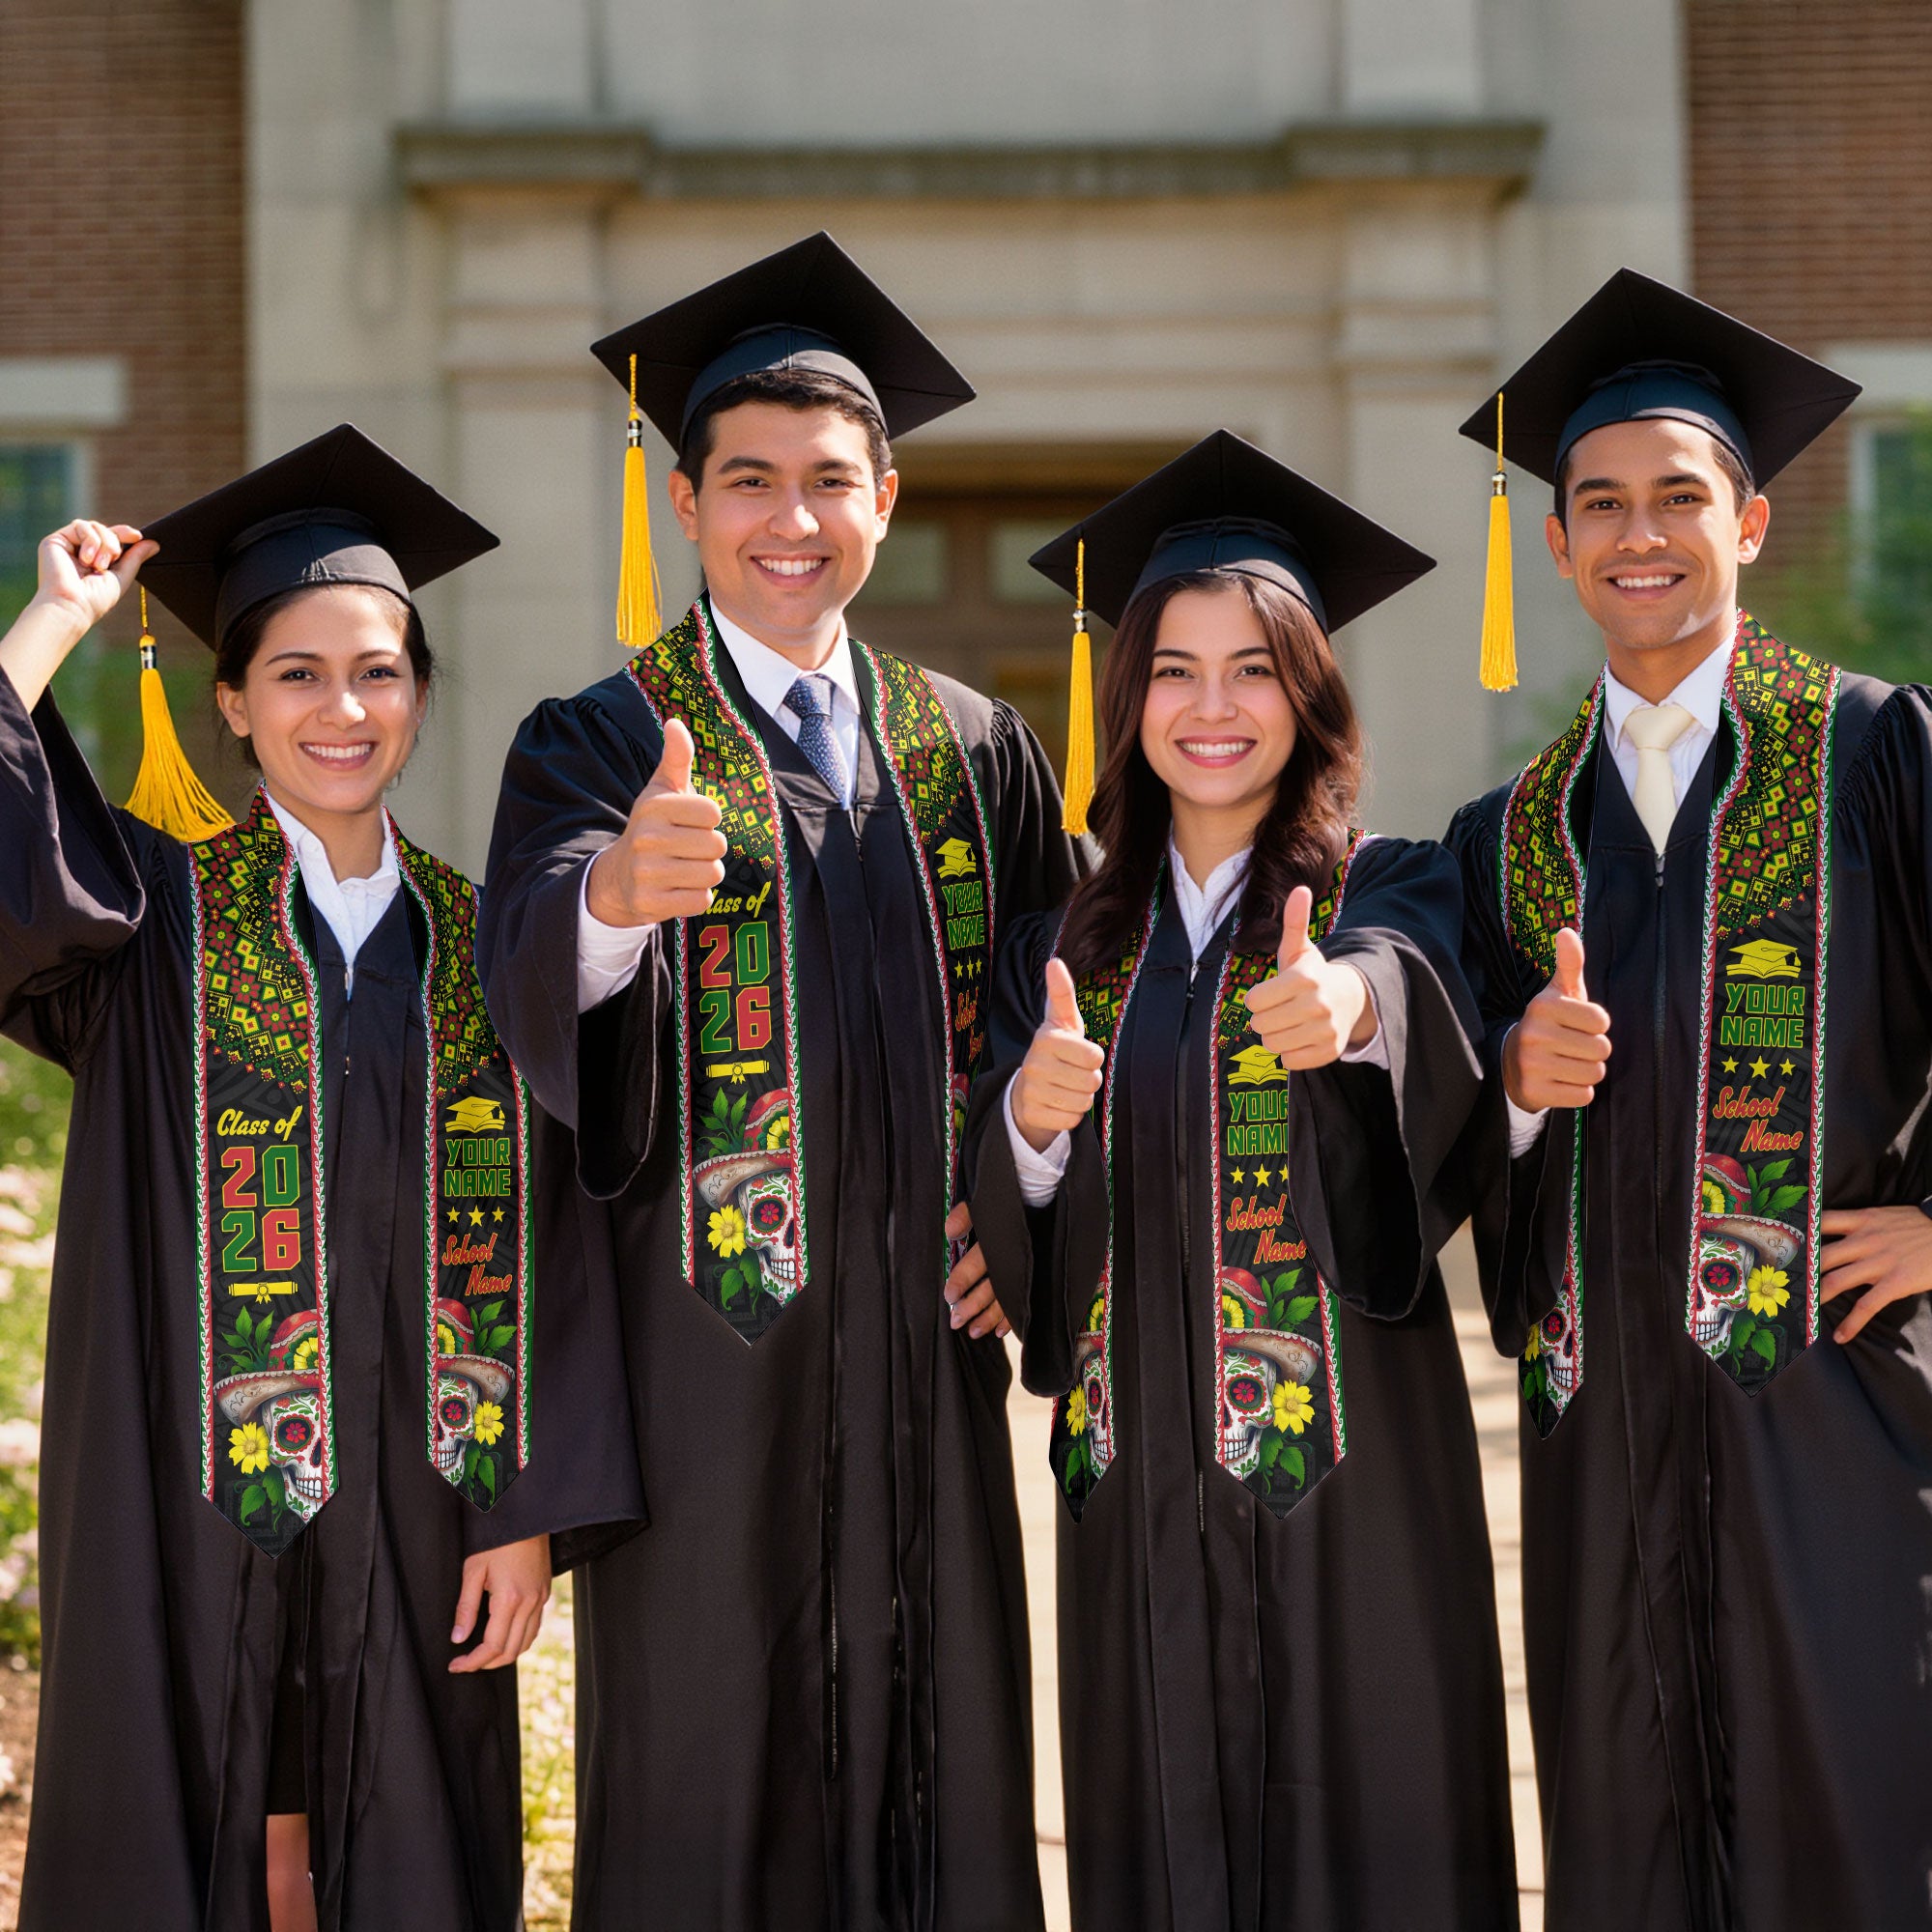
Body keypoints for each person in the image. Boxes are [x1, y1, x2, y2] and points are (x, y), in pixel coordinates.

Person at [479, 233, 1084, 1930]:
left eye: (831, 481)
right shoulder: (598, 739)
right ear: (686, 503)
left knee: (943, 1762)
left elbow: (1073, 1012)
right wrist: (609, 900)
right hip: (708, 1377)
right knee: (709, 1781)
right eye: (750, 481)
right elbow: (526, 968)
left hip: (927, 1367)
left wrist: (1022, 1208)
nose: (791, 520)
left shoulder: (974, 747)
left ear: (886, 496)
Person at [0, 425, 641, 1931]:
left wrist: (527, 1506)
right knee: (195, 1812)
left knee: (408, 1836)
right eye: (295, 673)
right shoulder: (150, 920)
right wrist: (51, 624)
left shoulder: (492, 944)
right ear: (231, 701)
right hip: (185, 1492)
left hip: (427, 1502)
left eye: (378, 671)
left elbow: (564, 1240)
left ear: (419, 693)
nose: (341, 708)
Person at [965, 431, 1518, 1931]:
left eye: (1256, 669)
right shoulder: (1063, 947)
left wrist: (1349, 1014)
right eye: (1175, 670)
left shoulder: (1390, 886)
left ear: (1311, 693)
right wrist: (1027, 1119)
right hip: (1138, 1486)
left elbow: (1414, 994)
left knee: (1377, 1838)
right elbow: (1022, 1230)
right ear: (1127, 696)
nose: (1214, 709)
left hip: (1356, 1489)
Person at [1446, 270, 1932, 1930]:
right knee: (1625, 1829)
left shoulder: (1876, 756)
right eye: (1599, 504)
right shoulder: (1510, 833)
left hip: (1840, 1413)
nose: (1637, 534)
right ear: (1562, 543)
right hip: (1603, 1437)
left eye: (1678, 497)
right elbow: (1446, 1138)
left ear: (1753, 520)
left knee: (1856, 1813)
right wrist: (1510, 1088)